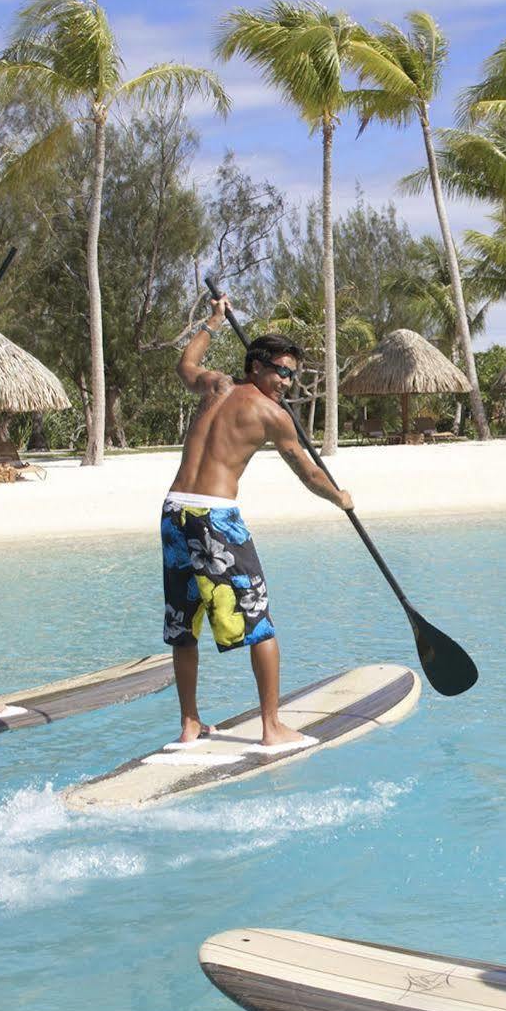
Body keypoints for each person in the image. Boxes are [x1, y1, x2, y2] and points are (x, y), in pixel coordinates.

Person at [163, 298, 353, 747]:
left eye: (293, 376)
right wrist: (339, 497)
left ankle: (191, 723)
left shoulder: (214, 385)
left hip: (173, 511)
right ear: (256, 366)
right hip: (214, 517)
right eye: (281, 372)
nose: (287, 383)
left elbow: (185, 364)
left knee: (183, 620)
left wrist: (212, 322)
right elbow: (308, 473)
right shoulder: (273, 415)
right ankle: (272, 726)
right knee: (259, 620)